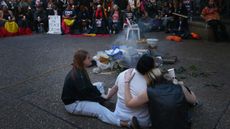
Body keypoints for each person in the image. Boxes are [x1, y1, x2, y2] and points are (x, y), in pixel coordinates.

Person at [61, 49, 139, 128]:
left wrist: (101, 95)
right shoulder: (78, 76)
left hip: (80, 95)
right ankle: (127, 124)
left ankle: (99, 102)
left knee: (100, 85)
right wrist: (102, 98)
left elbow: (89, 87)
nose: (90, 59)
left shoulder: (79, 68)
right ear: (82, 61)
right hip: (74, 104)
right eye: (88, 58)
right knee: (99, 109)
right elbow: (87, 95)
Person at [124, 68, 197, 129]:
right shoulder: (179, 87)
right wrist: (185, 88)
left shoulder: (149, 91)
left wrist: (126, 81)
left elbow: (129, 103)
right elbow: (193, 100)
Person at [105, 54, 156, 128]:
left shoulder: (124, 74)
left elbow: (115, 88)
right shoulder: (149, 84)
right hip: (141, 121)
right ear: (151, 69)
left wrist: (107, 97)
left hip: (119, 115)